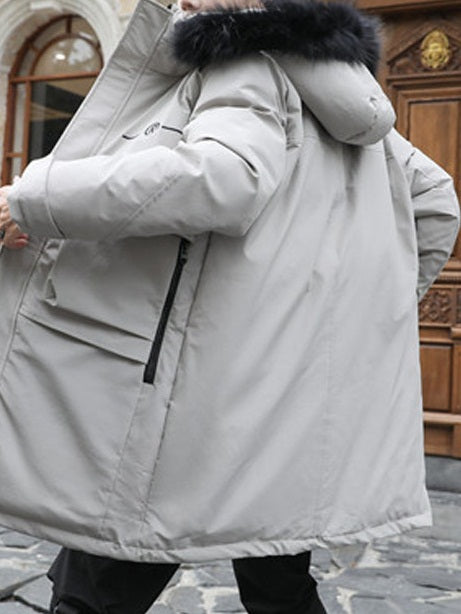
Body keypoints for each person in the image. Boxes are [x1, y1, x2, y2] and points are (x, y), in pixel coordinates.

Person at [0, 0, 459, 612]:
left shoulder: (240, 60)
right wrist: (357, 320)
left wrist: (33, 199)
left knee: (99, 581)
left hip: (202, 391)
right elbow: (436, 204)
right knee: (278, 583)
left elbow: (221, 177)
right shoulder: (351, 101)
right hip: (290, 406)